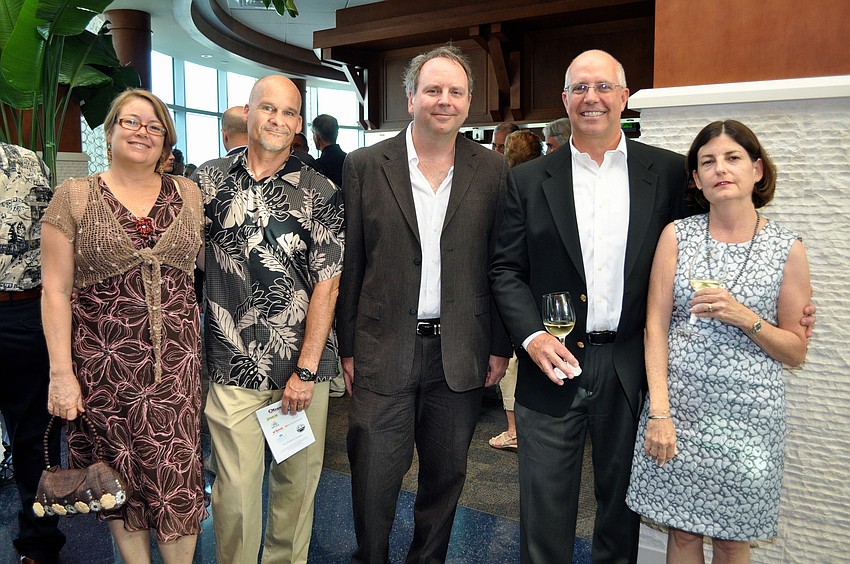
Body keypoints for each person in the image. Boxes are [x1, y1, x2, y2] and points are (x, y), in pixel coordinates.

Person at [489, 49, 817, 564]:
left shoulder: (666, 173)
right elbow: (505, 270)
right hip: (548, 364)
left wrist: (768, 302)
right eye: (579, 88)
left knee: (622, 518)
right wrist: (531, 336)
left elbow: (711, 239)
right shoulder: (529, 179)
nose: (591, 98)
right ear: (565, 100)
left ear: (624, 97)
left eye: (603, 87)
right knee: (543, 518)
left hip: (631, 369)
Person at [336, 44, 512, 563]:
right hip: (381, 347)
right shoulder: (366, 165)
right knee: (372, 475)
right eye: (432, 90)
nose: (444, 100)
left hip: (459, 352)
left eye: (455, 92)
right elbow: (352, 264)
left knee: (447, 476)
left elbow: (502, 265)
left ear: (469, 102)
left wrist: (499, 346)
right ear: (410, 97)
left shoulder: (493, 170)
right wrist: (348, 347)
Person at [626, 120, 810, 562]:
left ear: (757, 170)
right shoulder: (677, 236)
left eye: (733, 158)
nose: (720, 169)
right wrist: (659, 411)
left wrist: (747, 318)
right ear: (696, 178)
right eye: (707, 161)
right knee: (683, 532)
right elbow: (655, 327)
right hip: (680, 410)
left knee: (733, 538)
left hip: (749, 419)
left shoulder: (788, 247)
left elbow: (796, 349)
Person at [41, 88, 206, 563]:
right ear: (110, 130)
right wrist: (60, 374)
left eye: (154, 126)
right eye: (131, 122)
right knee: (119, 485)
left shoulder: (189, 194)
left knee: (179, 484)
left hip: (173, 371)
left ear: (167, 140)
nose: (143, 132)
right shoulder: (73, 196)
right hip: (103, 374)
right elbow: (54, 290)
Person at [195, 75, 344, 564]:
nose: (278, 120)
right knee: (235, 495)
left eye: (289, 113)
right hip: (230, 363)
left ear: (299, 124)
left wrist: (305, 369)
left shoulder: (320, 190)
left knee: (296, 491)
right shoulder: (207, 181)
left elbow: (328, 284)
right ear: (249, 111)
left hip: (301, 370)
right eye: (268, 109)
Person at [0, 142, 66, 563]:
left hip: (22, 313)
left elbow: (53, 238)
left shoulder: (25, 162)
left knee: (33, 436)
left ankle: (39, 543)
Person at [488, 129, 544, 451]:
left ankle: (513, 430)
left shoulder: (507, 185)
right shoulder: (542, 183)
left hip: (512, 292)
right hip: (535, 294)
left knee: (512, 365)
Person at [312, 114, 347, 187]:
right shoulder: (349, 159)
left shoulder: (318, 166)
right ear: (337, 134)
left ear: (317, 136)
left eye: (313, 133)